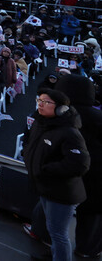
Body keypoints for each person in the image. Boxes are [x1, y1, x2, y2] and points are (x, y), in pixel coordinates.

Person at [22, 88, 90, 261]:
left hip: (61, 193)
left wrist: (48, 170)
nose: (40, 104)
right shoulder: (40, 121)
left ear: (61, 108)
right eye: (39, 100)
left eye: (46, 102)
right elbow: (30, 141)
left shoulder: (70, 132)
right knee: (52, 229)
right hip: (45, 186)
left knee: (58, 234)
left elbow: (80, 163)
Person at [55, 75, 102, 258]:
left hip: (61, 172)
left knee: (50, 207)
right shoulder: (98, 117)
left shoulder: (60, 114)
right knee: (92, 217)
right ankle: (87, 249)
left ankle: (41, 233)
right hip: (96, 178)